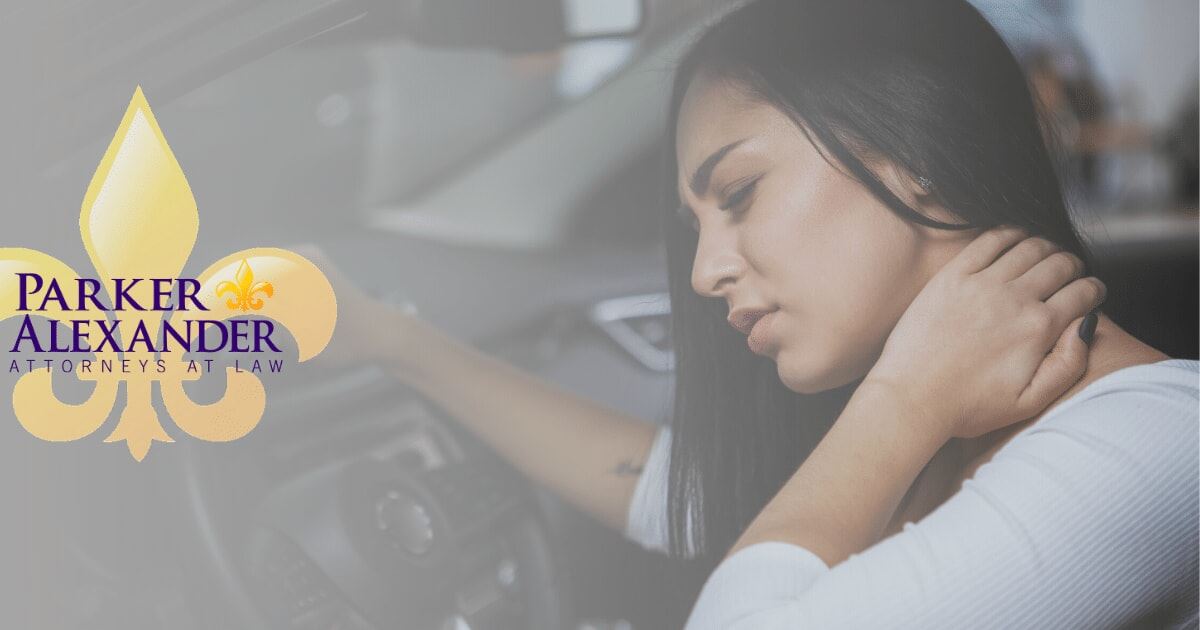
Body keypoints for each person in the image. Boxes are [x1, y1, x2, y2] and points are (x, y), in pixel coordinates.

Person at [307, 0, 1199, 626]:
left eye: (739, 192)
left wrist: (903, 401)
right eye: (694, 226)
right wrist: (394, 342)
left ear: (915, 151)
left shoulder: (1154, 442)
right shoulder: (940, 426)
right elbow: (675, 491)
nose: (704, 272)